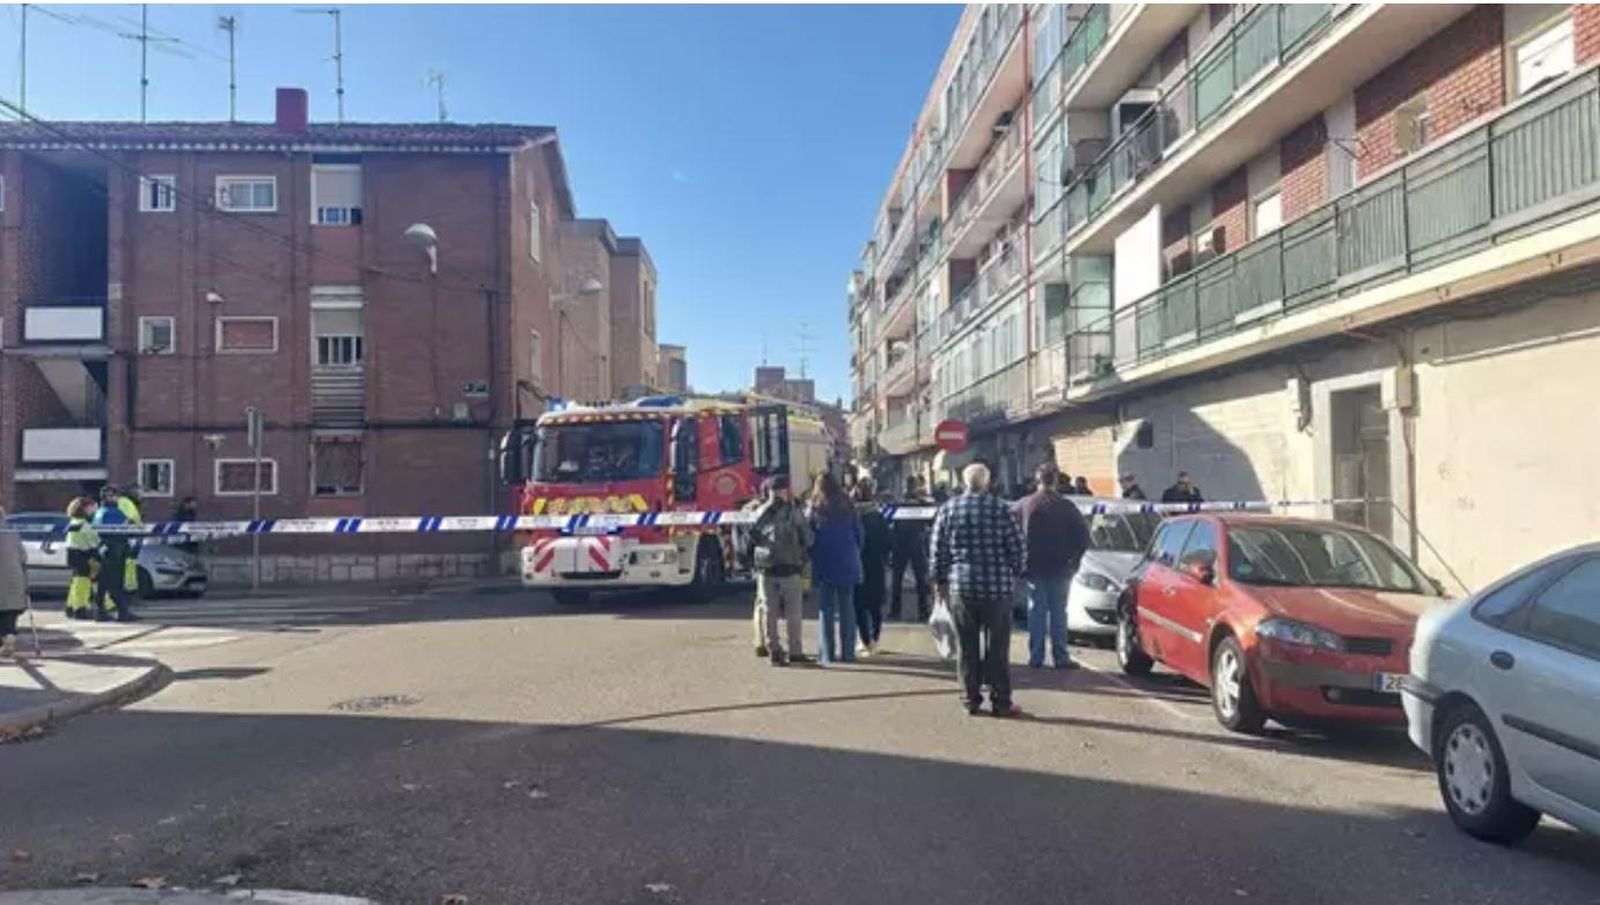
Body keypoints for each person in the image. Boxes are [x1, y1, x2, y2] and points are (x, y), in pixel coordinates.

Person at [930, 462, 1024, 717]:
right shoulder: (1001, 509)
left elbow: (937, 549)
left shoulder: (948, 509)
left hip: (963, 586)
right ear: (988, 482)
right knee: (998, 648)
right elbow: (1017, 547)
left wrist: (939, 580)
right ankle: (1001, 701)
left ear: (963, 482)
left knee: (966, 646)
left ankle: (970, 699)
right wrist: (1015, 570)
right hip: (997, 588)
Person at [1015, 464, 1091, 670]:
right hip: (1060, 568)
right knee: (1059, 612)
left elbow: (1011, 535)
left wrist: (1017, 561)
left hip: (1032, 567)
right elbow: (1083, 538)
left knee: (1036, 611)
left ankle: (1036, 657)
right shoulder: (1066, 506)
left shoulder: (1024, 505)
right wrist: (1074, 561)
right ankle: (1061, 656)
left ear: (1037, 480)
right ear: (1056, 481)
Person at [750, 475, 813, 666]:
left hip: (766, 569)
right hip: (790, 568)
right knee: (794, 612)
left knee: (770, 612)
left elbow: (751, 533)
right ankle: (795, 651)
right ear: (785, 491)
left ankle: (774, 650)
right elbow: (808, 538)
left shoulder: (759, 512)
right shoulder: (794, 512)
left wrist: (767, 506)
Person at [808, 472, 862, 665]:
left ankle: (827, 654)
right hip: (847, 559)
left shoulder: (815, 507)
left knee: (826, 609)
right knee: (848, 608)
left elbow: (809, 536)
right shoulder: (848, 504)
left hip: (825, 561)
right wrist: (854, 552)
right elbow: (858, 533)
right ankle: (848, 653)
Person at [853, 479, 890, 656]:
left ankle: (864, 640)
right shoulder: (878, 517)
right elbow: (888, 542)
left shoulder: (853, 517)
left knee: (859, 605)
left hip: (857, 563)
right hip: (876, 564)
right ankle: (875, 638)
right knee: (875, 605)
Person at [889, 476, 933, 622]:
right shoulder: (922, 503)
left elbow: (890, 520)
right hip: (916, 542)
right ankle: (923, 611)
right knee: (920, 578)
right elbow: (930, 521)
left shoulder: (898, 503)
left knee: (897, 578)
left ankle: (895, 611)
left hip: (900, 543)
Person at [92, 486, 136, 622]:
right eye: (114, 496)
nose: (116, 498)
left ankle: (100, 612)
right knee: (114, 582)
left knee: (103, 583)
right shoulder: (114, 513)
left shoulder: (99, 512)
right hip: (115, 550)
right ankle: (123, 611)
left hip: (103, 550)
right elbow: (126, 529)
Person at [63, 496, 101, 620]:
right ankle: (80, 608)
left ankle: (70, 606)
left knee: (76, 581)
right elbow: (93, 540)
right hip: (82, 553)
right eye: (92, 508)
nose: (94, 511)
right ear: (85, 508)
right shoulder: (84, 524)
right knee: (83, 582)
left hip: (73, 553)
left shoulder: (73, 522)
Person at [0, 505, 29, 659]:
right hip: (13, 579)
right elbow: (23, 557)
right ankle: (9, 635)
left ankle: (6, 638)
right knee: (9, 613)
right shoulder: (13, 533)